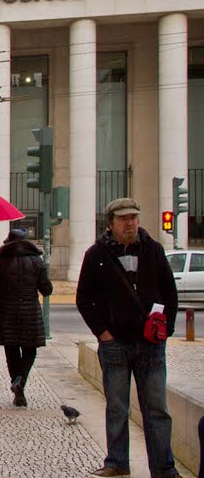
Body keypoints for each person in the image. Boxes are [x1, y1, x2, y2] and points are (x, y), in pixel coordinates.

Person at [76, 197, 180, 478]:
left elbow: (170, 294)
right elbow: (84, 300)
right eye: (123, 219)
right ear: (110, 224)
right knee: (117, 408)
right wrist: (104, 334)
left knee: (157, 409)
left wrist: (165, 330)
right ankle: (117, 462)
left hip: (151, 345)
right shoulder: (96, 255)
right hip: (115, 346)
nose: (130, 223)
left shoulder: (154, 251)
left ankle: (164, 468)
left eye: (133, 217)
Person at [0, 228, 53, 407]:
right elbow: (46, 289)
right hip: (30, 311)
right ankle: (20, 381)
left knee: (12, 350)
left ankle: (17, 385)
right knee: (30, 350)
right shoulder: (37, 261)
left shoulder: (2, 261)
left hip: (7, 312)